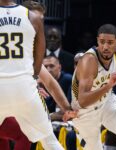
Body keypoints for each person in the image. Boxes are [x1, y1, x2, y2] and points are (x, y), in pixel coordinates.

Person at [0, 1, 75, 150]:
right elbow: (50, 80)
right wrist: (32, 81)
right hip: (25, 93)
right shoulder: (32, 18)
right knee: (49, 141)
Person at [69, 24, 116, 150]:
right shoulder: (89, 60)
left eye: (110, 42)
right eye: (102, 42)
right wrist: (108, 86)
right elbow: (82, 100)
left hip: (107, 103)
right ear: (97, 41)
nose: (105, 46)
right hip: (83, 112)